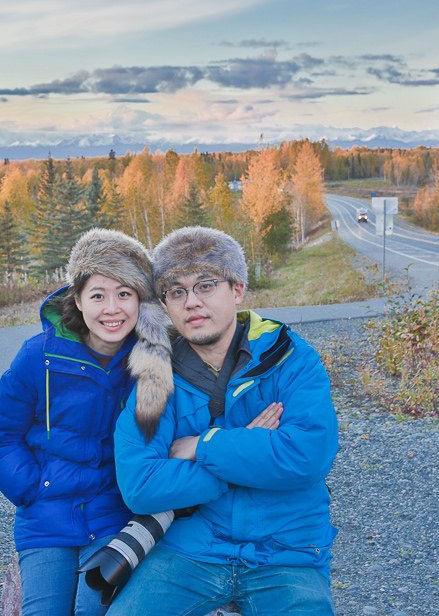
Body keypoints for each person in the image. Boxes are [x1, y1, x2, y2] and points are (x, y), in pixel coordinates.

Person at [110, 226, 339, 615]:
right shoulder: (156, 374)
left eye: (205, 285)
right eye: (176, 291)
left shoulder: (291, 358)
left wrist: (203, 446)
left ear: (237, 290)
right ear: (166, 304)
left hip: (287, 553)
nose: (192, 302)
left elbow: (307, 457)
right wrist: (245, 450)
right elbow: (141, 485)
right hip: (191, 551)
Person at [0, 228, 172, 616]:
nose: (112, 309)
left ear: (140, 302)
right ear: (79, 300)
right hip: (45, 517)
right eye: (98, 295)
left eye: (124, 294)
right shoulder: (40, 356)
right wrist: (31, 488)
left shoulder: (152, 361)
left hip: (112, 514)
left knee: (93, 611)